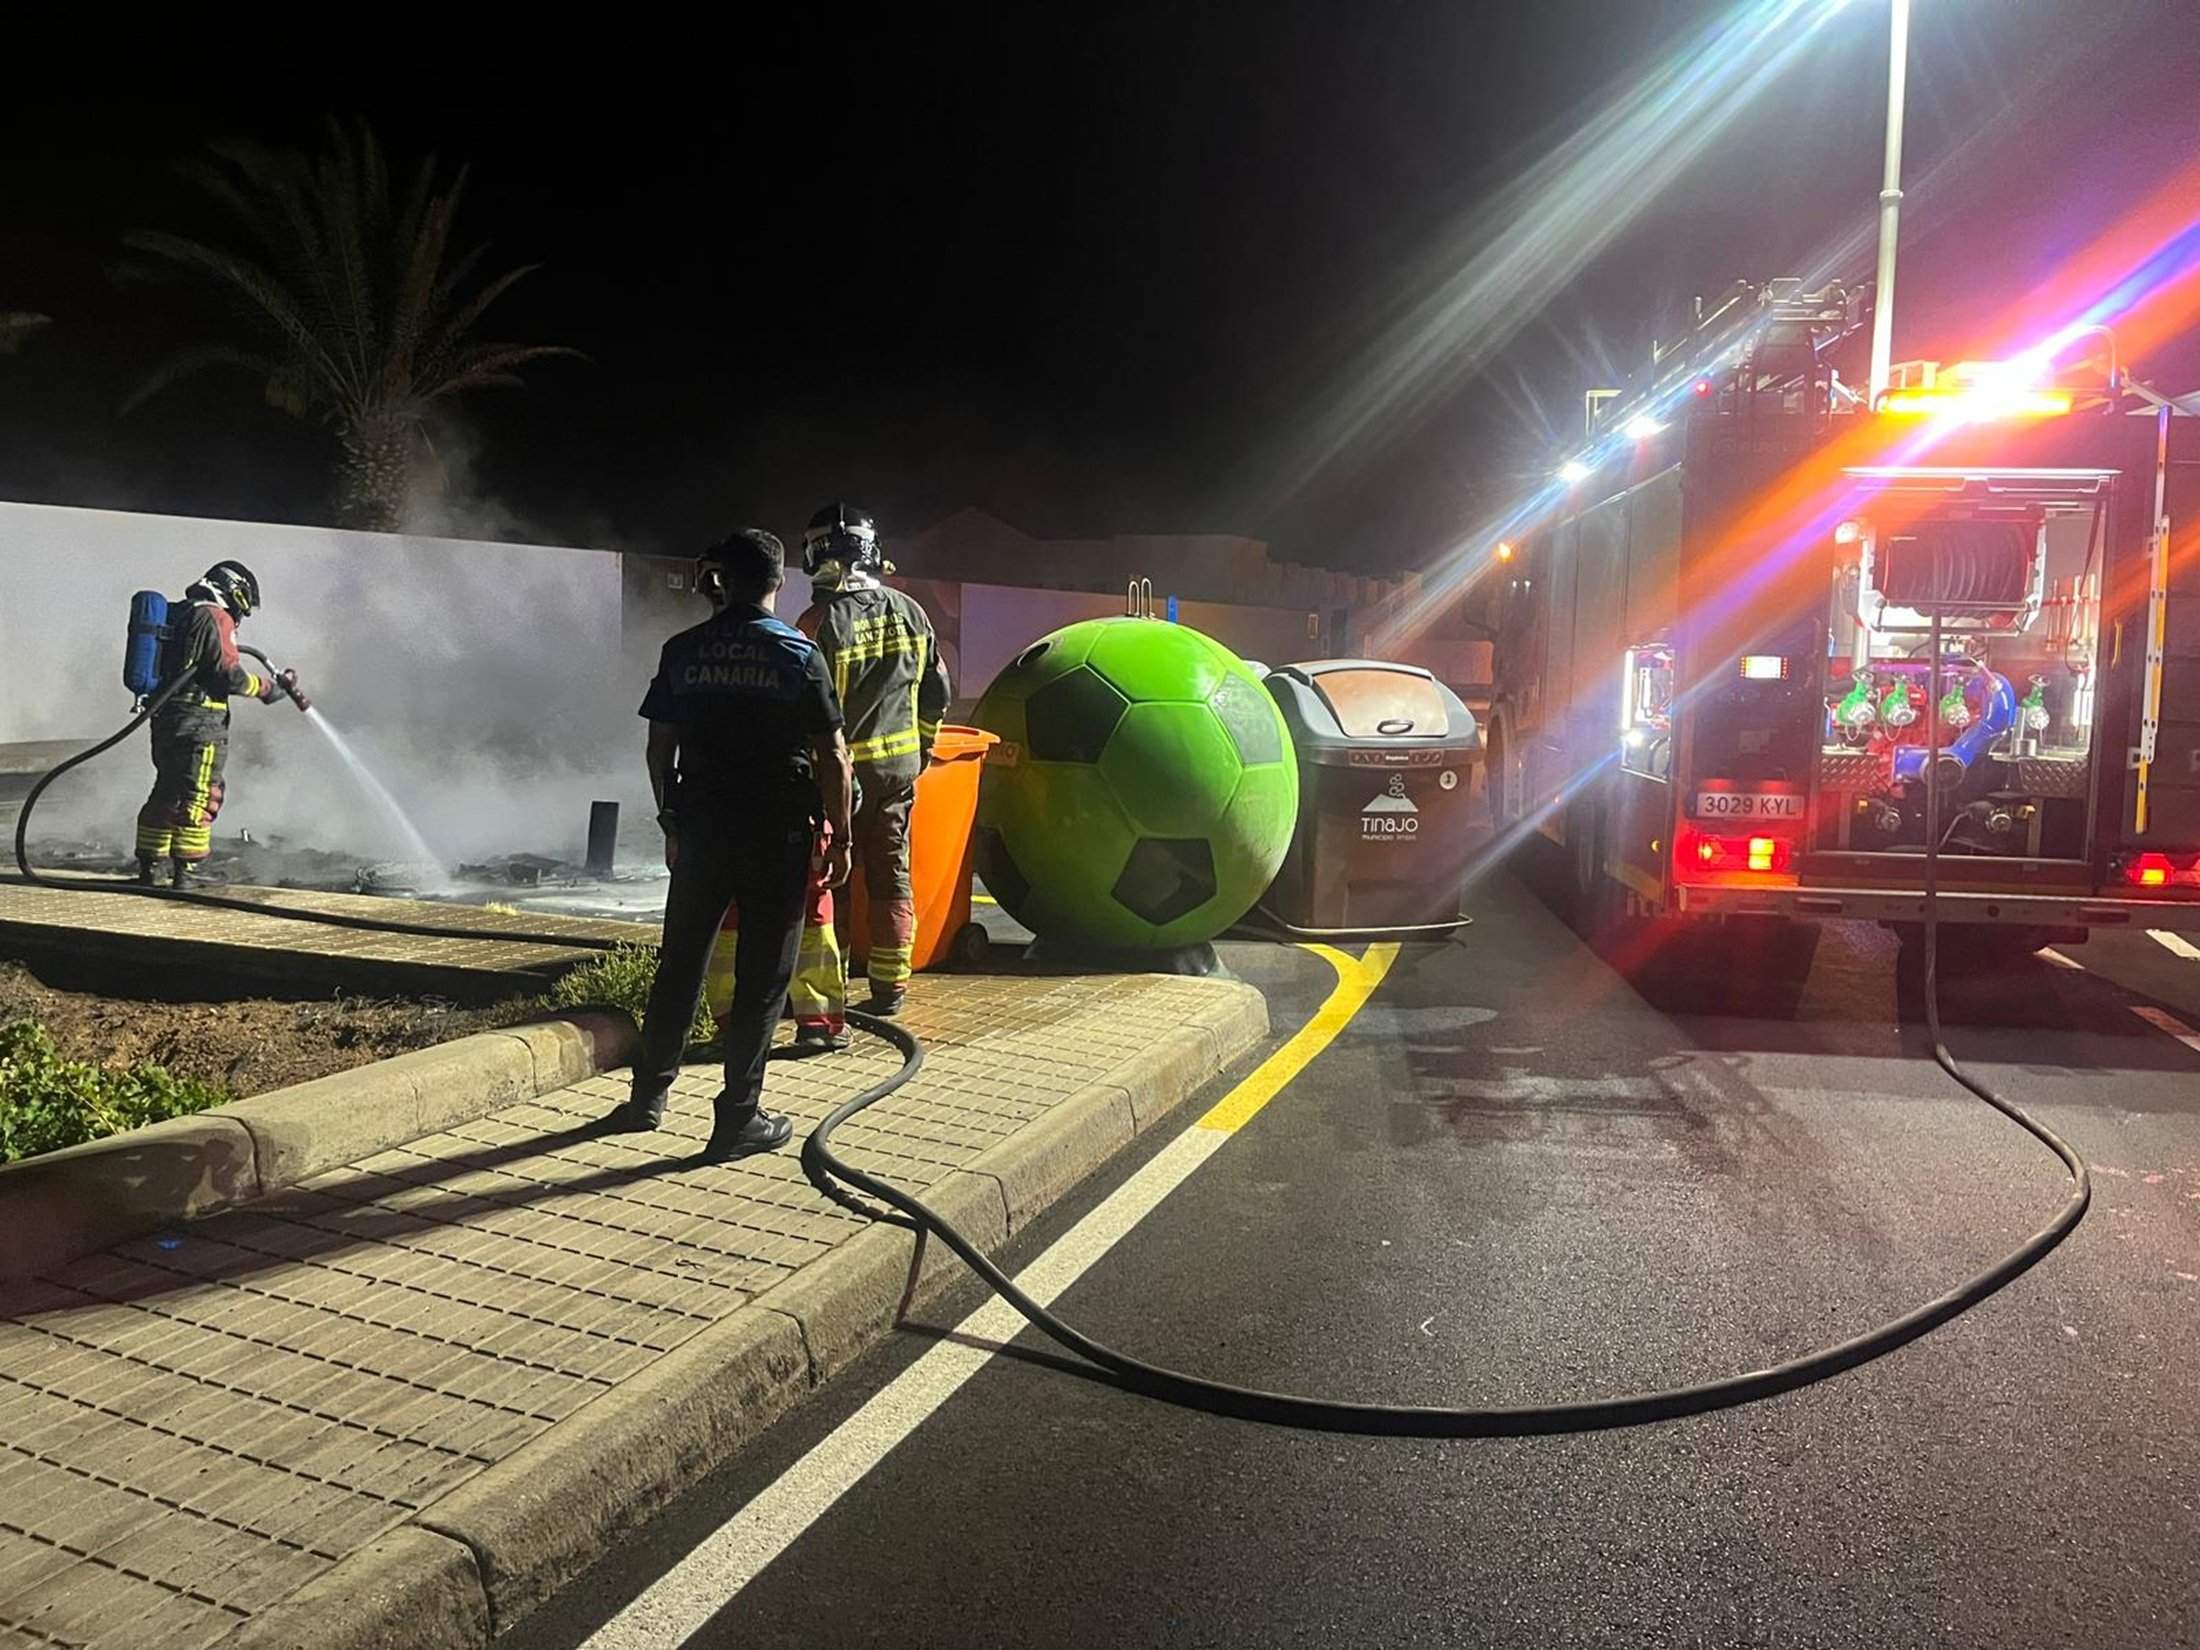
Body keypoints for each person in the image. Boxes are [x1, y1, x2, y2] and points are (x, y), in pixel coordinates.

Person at [607, 528, 853, 1161]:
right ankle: (737, 1116)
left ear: (724, 578)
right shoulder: (798, 654)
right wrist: (842, 836)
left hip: (703, 830)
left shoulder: (683, 649)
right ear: (778, 582)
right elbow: (833, 755)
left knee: (681, 964)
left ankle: (647, 1099)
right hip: (778, 832)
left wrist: (670, 819)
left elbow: (659, 746)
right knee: (763, 977)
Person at [797, 502, 950, 1015]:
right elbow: (937, 690)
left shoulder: (817, 622)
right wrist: (922, 747)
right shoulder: (912, 612)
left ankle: (831, 991)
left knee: (829, 882)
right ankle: (889, 988)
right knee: (890, 876)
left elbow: (801, 713)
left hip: (833, 781)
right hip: (896, 778)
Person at [134, 560, 301, 887]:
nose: (243, 614)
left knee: (166, 790)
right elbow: (228, 675)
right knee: (202, 793)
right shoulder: (215, 616)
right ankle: (187, 873)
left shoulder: (182, 612)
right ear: (233, 590)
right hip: (201, 723)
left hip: (167, 718)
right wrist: (268, 689)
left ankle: (150, 868)